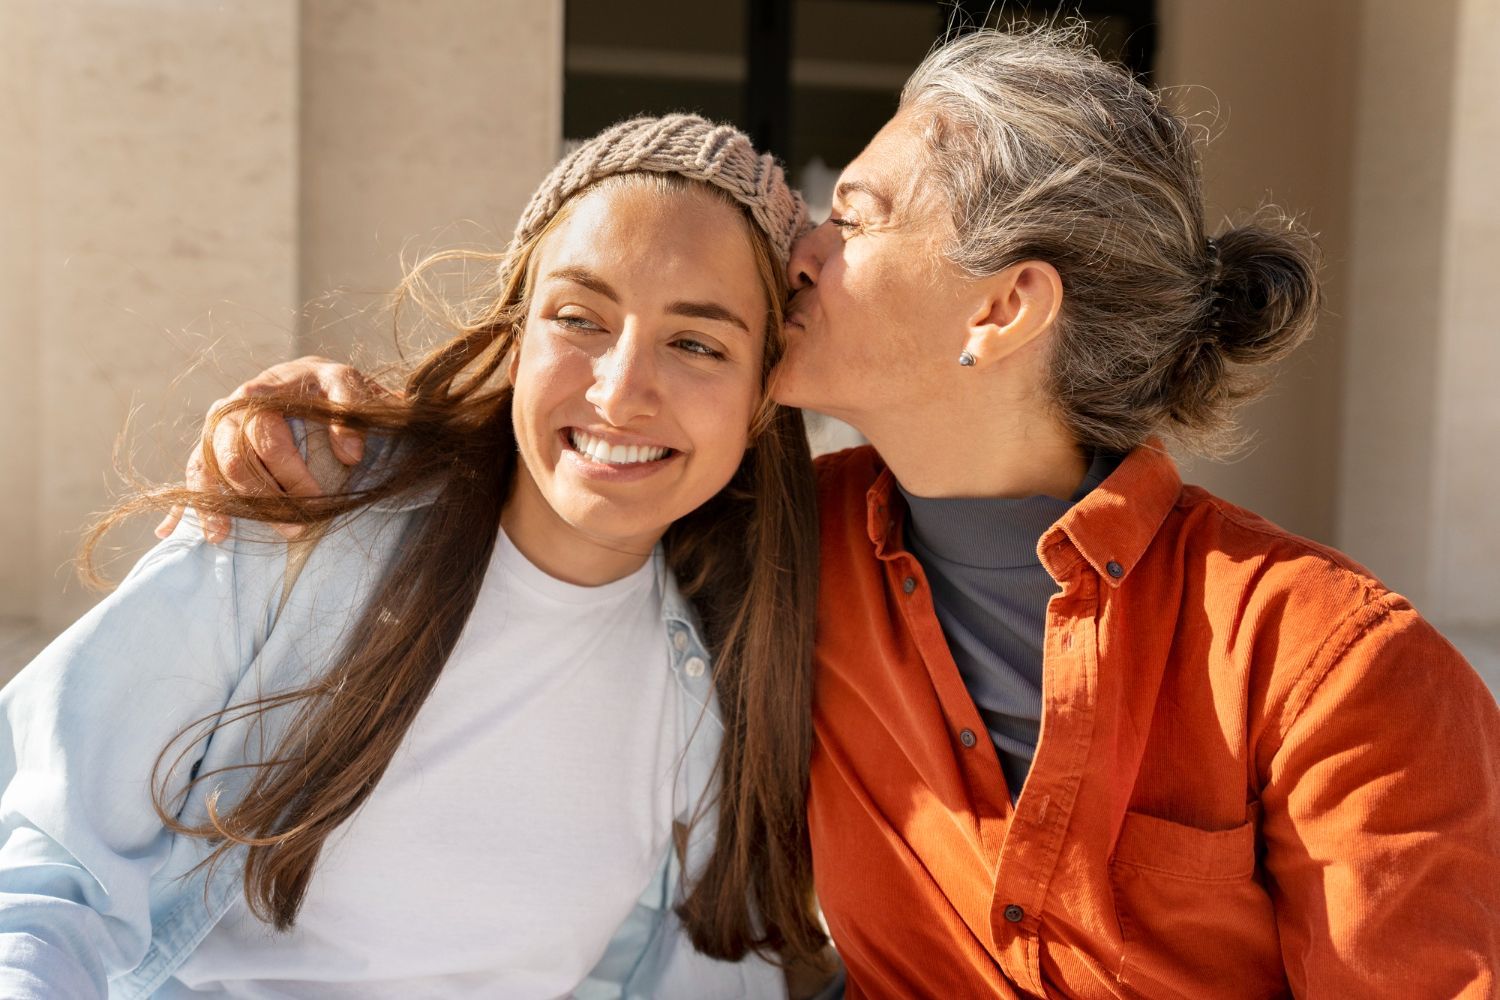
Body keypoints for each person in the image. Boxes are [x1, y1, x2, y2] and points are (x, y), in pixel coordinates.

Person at [169, 26, 1500, 1000]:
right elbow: (577, 447)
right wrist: (348, 426)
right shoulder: (774, 542)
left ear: (1000, 308)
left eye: (857, 215)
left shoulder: (1338, 672)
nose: (799, 242)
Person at [0, 115, 844, 998]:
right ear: (518, 333)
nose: (621, 391)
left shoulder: (722, 678)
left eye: (697, 343)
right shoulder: (310, 504)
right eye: (578, 318)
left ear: (761, 393)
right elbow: (51, 882)